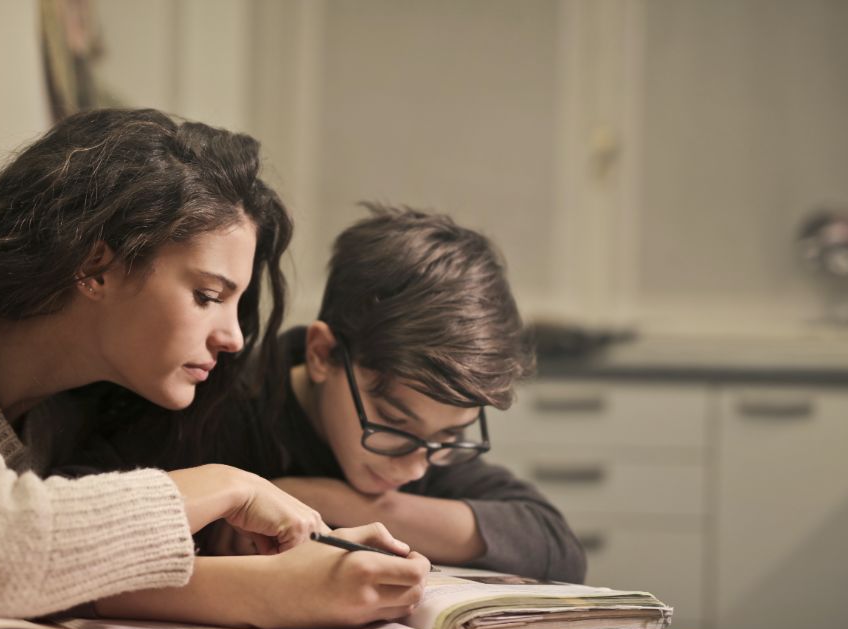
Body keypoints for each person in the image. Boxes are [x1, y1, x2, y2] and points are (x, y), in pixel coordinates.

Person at [0, 109, 428, 629]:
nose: (234, 337)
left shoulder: (62, 416)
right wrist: (227, 488)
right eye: (208, 294)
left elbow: (42, 568)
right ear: (96, 267)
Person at [86, 204, 586, 583]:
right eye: (393, 423)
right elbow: (77, 524)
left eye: (451, 436)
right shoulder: (208, 401)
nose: (415, 467)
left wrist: (333, 501)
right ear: (323, 354)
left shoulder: (428, 446)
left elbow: (555, 546)